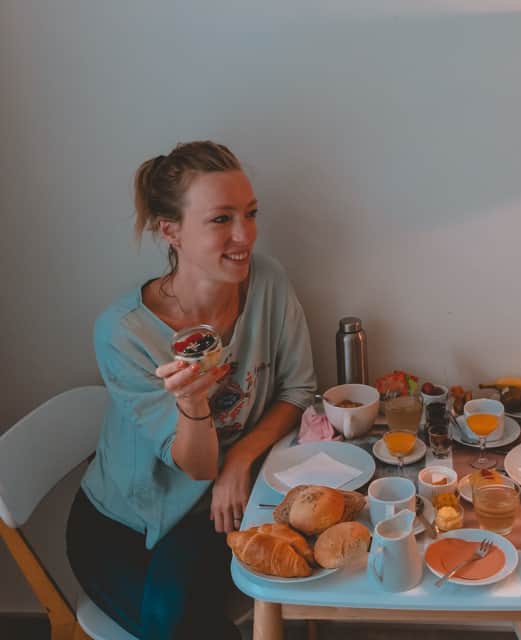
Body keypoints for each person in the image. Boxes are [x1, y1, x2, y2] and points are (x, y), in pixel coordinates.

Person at [66, 141, 316, 640]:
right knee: (180, 628)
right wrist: (192, 404)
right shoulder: (124, 332)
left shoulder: (267, 281)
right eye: (221, 219)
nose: (245, 235)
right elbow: (197, 466)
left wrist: (242, 458)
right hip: (123, 523)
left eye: (249, 214)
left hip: (212, 508)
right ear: (171, 231)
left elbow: (299, 390)